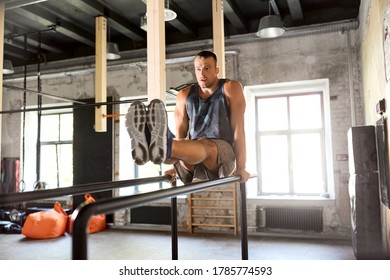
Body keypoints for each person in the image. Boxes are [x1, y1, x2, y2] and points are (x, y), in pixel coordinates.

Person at [126, 50, 250, 184]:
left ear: (216, 70)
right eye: (198, 69)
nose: (202, 73)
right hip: (192, 155)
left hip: (222, 157)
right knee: (182, 145)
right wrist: (174, 168)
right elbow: (180, 136)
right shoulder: (184, 95)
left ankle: (157, 142)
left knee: (204, 144)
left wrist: (241, 167)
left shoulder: (230, 88)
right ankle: (153, 146)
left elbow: (238, 130)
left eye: (207, 68)